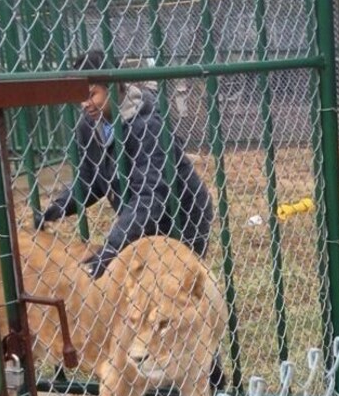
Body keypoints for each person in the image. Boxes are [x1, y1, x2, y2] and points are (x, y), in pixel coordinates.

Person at [35, 50, 214, 278]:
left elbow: (151, 197)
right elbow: (88, 179)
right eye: (81, 96)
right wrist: (57, 207)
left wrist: (113, 246)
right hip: (140, 221)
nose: (85, 104)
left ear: (114, 86)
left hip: (181, 218)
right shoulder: (89, 127)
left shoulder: (147, 126)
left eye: (92, 95)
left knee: (172, 286)